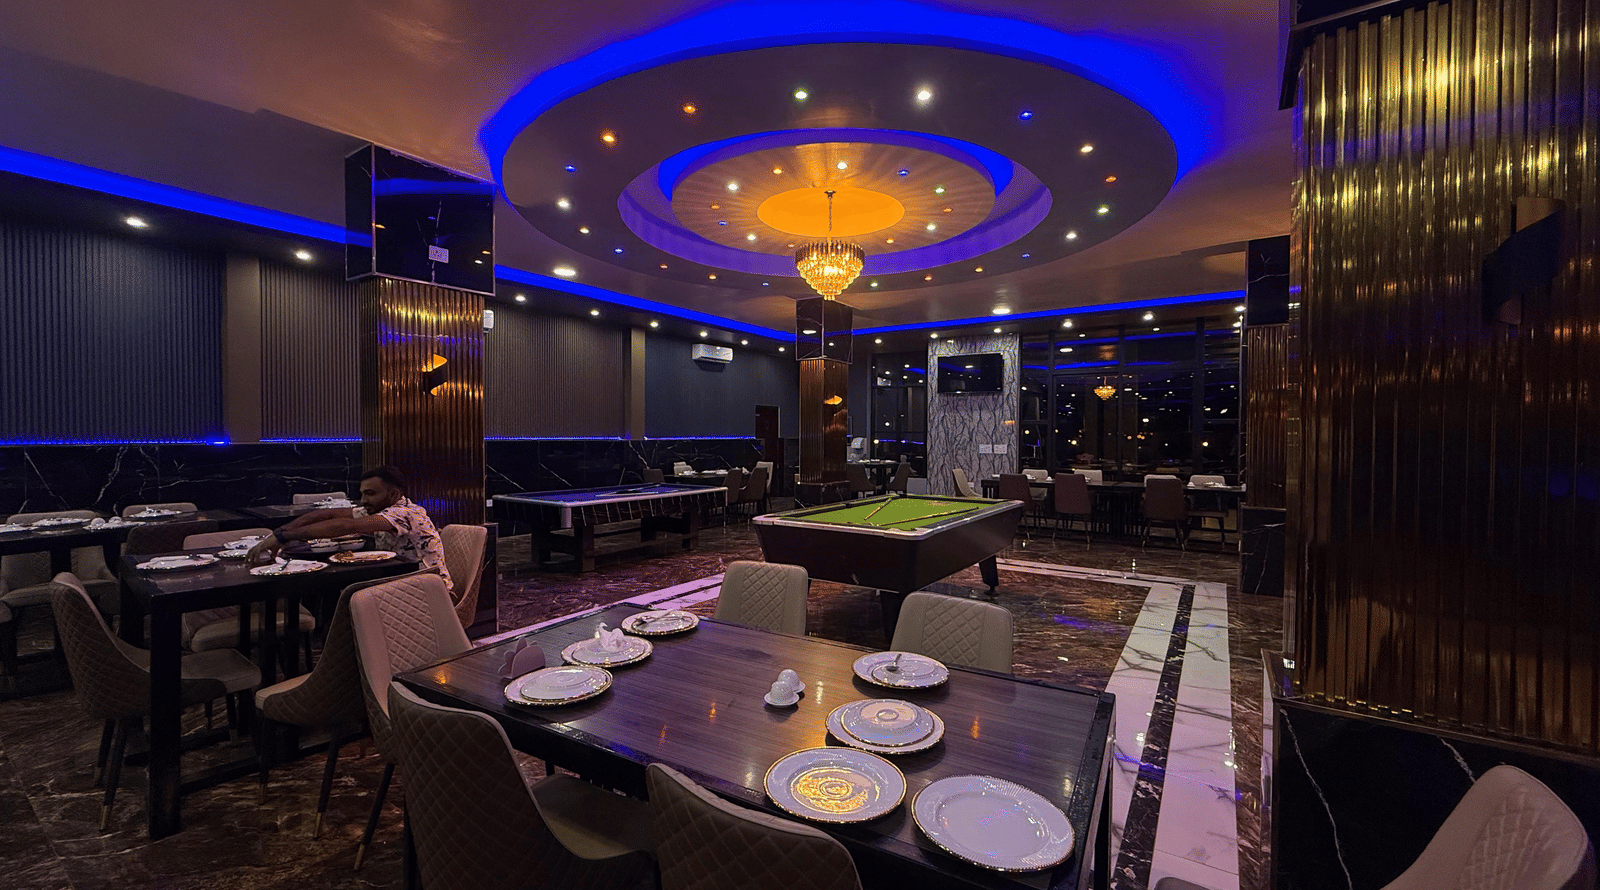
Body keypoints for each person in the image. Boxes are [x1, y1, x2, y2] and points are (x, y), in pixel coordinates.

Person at [247, 466, 452, 592]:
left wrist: (284, 537)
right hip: (401, 582)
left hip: (431, 591)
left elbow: (346, 526)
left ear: (393, 495)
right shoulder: (380, 509)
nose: (363, 500)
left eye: (370, 494)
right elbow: (327, 515)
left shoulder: (404, 513)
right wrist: (278, 534)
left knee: (348, 597)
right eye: (362, 494)